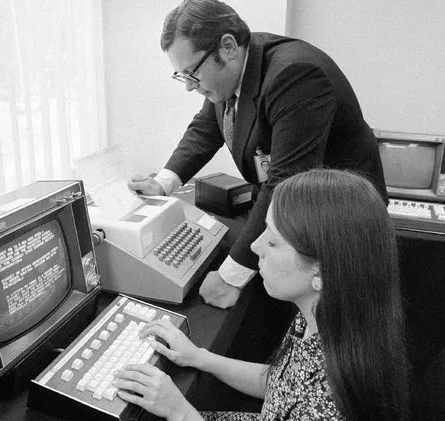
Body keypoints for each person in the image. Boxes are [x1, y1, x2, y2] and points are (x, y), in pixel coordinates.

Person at [128, 0, 388, 313]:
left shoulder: (295, 74)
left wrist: (229, 278)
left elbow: (284, 183)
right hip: (300, 214)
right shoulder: (233, 72)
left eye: (192, 74)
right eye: (182, 76)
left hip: (341, 225)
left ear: (227, 47)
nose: (189, 88)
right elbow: (205, 129)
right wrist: (163, 183)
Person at [113, 168, 410, 421]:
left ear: (320, 271)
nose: (255, 247)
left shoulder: (327, 406)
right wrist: (200, 357)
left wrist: (180, 412)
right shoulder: (325, 317)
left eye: (273, 242)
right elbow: (278, 382)